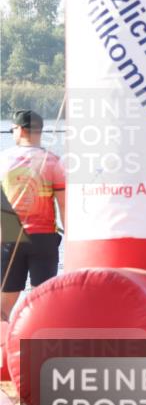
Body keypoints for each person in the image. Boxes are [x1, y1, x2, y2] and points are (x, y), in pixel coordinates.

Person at [1, 110, 66, 321]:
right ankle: (37, 351)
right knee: (43, 306)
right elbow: (64, 206)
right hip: (44, 239)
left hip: (10, 238)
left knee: (2, 308)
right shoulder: (54, 161)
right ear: (39, 130)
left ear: (20, 130)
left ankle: (3, 350)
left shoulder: (3, 160)